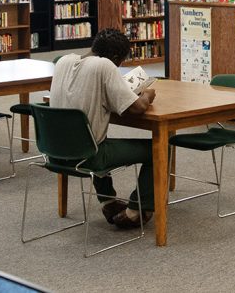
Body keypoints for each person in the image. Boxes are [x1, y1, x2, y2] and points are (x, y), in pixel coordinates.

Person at [49, 28, 156, 229]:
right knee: (158, 149)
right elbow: (138, 108)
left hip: (55, 151)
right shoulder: (104, 66)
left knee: (95, 134)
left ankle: (108, 203)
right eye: (120, 62)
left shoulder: (63, 61)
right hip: (88, 156)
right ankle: (135, 212)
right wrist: (148, 94)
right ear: (114, 57)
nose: (119, 67)